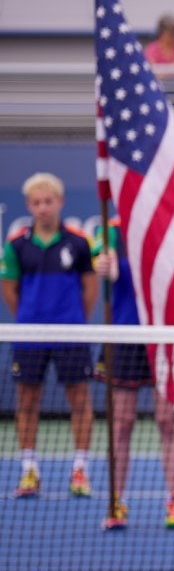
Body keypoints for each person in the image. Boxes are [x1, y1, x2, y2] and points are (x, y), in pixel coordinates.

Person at [2, 173, 96, 498]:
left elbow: (90, 289)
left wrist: (72, 319)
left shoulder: (80, 242)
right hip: (29, 334)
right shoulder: (16, 245)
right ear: (29, 205)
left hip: (70, 333)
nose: (43, 208)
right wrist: (30, 319)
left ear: (60, 202)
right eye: (37, 203)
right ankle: (29, 470)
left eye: (49, 201)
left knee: (80, 400)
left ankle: (80, 470)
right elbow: (10, 290)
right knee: (27, 401)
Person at [92, 218, 174, 531]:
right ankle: (115, 501)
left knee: (167, 421)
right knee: (121, 424)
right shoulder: (109, 229)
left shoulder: (171, 224)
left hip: (164, 337)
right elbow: (103, 263)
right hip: (125, 336)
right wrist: (105, 265)